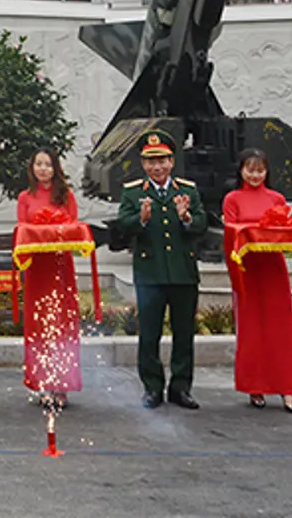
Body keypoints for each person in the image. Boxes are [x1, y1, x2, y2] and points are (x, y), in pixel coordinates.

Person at [116, 128, 206, 410]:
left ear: (171, 161)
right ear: (143, 164)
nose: (157, 167)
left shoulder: (187, 190)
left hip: (182, 272)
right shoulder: (133, 193)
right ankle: (152, 387)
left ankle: (181, 388)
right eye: (151, 162)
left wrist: (187, 217)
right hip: (150, 274)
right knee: (150, 334)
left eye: (163, 160)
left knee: (184, 334)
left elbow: (203, 225)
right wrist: (140, 220)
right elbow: (122, 227)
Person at [222, 148, 292, 413]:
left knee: (281, 329)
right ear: (241, 170)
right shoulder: (232, 199)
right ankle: (255, 387)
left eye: (260, 170)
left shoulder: (276, 197)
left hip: (273, 269)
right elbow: (231, 233)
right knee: (251, 330)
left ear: (267, 172)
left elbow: (285, 228)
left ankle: (287, 389)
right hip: (248, 269)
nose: (255, 175)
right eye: (250, 169)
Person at [15, 147, 81, 408]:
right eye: (38, 164)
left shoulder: (65, 195)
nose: (43, 169)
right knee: (39, 324)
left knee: (62, 323)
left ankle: (62, 383)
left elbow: (74, 227)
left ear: (56, 168)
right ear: (32, 168)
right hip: (36, 269)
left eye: (48, 164)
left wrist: (54, 231)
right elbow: (22, 229)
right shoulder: (25, 197)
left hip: (60, 267)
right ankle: (43, 382)